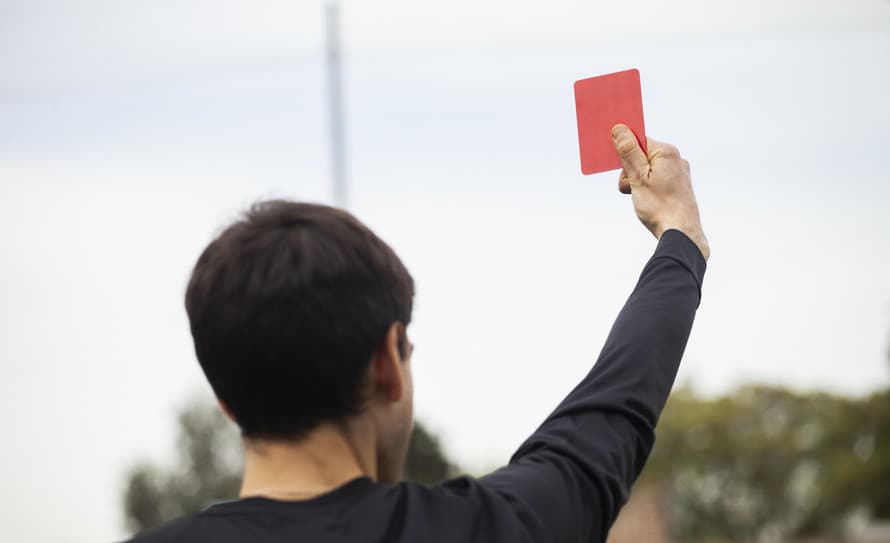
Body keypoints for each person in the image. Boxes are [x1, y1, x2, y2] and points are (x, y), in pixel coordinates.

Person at [126, 125, 709, 543]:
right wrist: (679, 235)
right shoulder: (496, 527)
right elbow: (614, 410)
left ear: (225, 400)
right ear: (387, 364)